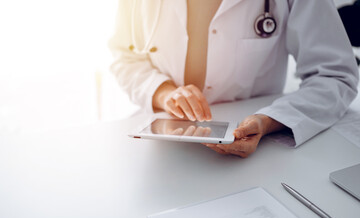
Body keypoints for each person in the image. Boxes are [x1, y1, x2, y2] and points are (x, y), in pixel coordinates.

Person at [109, 0, 359, 158]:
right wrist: (163, 92)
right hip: (158, 148)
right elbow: (124, 56)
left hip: (257, 153)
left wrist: (268, 121)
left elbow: (335, 75)